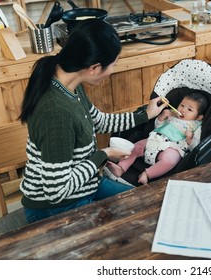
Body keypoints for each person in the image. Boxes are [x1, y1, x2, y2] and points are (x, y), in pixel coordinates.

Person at [18, 19, 167, 223]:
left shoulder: (69, 82)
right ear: (94, 68)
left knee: (147, 202)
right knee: (134, 226)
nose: (113, 70)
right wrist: (103, 155)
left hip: (86, 185)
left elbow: (100, 122)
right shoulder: (55, 112)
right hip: (56, 207)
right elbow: (56, 191)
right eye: (113, 64)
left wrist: (146, 115)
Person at [106, 91, 209, 184]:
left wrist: (190, 139)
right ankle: (121, 168)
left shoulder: (196, 125)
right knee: (135, 147)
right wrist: (161, 118)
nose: (183, 110)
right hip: (155, 139)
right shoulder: (172, 115)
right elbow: (158, 127)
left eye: (189, 109)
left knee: (169, 161)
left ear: (199, 117)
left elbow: (196, 146)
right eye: (182, 105)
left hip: (173, 147)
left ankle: (147, 174)